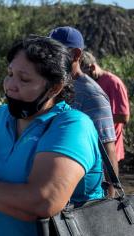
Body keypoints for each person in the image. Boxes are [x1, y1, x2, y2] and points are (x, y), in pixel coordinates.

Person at [0, 36, 104, 236]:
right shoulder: (6, 116)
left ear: (55, 87)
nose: (10, 84)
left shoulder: (72, 126)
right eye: (9, 74)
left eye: (24, 79)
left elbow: (43, 201)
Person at [49, 26, 119, 196]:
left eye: (56, 51)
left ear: (76, 54)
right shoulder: (54, 85)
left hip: (84, 197)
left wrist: (111, 197)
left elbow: (108, 147)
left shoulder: (91, 94)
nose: (49, 57)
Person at [81, 51, 130, 162]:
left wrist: (91, 119)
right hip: (90, 147)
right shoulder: (86, 84)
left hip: (108, 146)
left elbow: (123, 117)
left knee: (109, 179)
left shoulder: (113, 82)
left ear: (92, 67)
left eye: (83, 74)